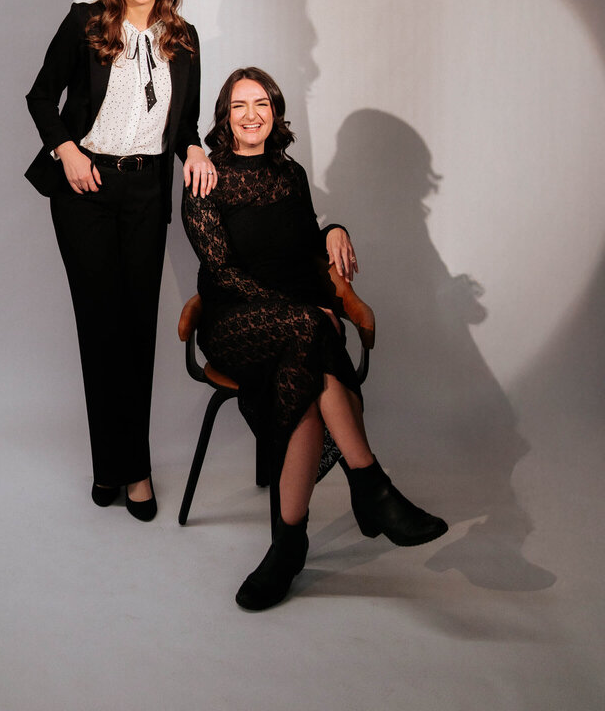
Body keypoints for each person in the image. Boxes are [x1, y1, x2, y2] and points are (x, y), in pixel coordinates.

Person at [182, 67, 447, 608]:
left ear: (276, 113)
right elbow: (221, 271)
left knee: (303, 367)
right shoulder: (207, 176)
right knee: (309, 329)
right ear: (224, 117)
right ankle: (371, 487)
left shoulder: (291, 174)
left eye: (262, 104)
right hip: (236, 324)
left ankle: (288, 546)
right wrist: (295, 309)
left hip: (297, 326)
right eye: (239, 106)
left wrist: (333, 230)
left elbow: (305, 246)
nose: (251, 114)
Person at [26, 0, 215, 521]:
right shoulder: (87, 22)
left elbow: (180, 124)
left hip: (144, 190)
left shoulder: (183, 39)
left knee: (136, 332)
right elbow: (39, 98)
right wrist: (68, 151)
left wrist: (199, 149)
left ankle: (120, 466)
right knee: (100, 329)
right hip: (86, 187)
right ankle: (129, 470)